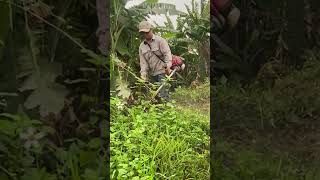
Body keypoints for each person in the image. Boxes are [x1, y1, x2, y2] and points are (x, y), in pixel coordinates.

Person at [138, 20, 172, 101]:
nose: (146, 34)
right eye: (143, 33)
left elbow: (167, 55)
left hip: (162, 72)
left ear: (151, 30)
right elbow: (143, 63)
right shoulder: (142, 46)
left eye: (147, 32)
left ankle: (168, 110)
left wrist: (168, 66)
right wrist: (143, 74)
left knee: (163, 95)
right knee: (154, 97)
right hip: (151, 74)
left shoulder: (160, 41)